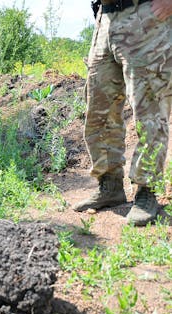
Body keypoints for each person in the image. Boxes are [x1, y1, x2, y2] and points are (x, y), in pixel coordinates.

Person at [74, 0, 172, 226]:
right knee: (99, 110)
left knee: (150, 111)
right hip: (106, 19)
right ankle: (110, 185)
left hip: (146, 18)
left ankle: (147, 191)